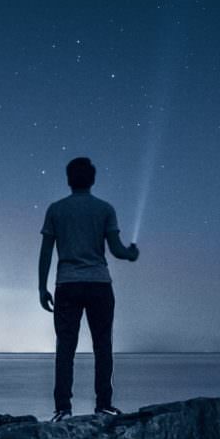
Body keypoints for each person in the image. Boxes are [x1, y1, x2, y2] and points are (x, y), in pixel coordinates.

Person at [38, 156, 139, 422]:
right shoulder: (104, 209)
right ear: (92, 180)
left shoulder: (56, 209)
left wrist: (41, 287)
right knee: (102, 345)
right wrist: (130, 253)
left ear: (69, 180)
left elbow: (46, 251)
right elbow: (116, 250)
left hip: (67, 284)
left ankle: (63, 408)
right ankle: (103, 404)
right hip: (99, 284)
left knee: (65, 347)